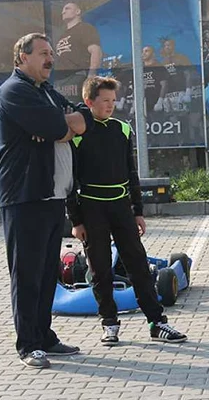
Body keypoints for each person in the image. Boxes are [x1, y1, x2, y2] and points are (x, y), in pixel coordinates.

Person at [0, 32, 94, 369]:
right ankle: (28, 344)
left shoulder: (45, 91)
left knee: (48, 270)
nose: (50, 59)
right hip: (25, 196)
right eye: (42, 53)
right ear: (22, 56)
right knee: (27, 273)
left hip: (52, 197)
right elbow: (57, 126)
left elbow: (83, 118)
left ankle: (45, 336)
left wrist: (64, 125)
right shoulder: (14, 91)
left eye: (52, 53)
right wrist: (62, 126)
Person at [66, 76, 187, 346]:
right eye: (104, 101)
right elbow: (68, 182)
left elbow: (132, 173)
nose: (110, 105)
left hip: (121, 207)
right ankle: (109, 324)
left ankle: (157, 323)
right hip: (91, 208)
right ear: (89, 102)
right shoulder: (76, 136)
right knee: (100, 270)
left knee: (139, 266)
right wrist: (75, 220)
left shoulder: (122, 129)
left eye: (113, 100)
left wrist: (138, 211)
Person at [54, 2, 102, 102]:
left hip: (77, 77)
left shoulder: (85, 28)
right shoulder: (61, 35)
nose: (63, 12)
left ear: (78, 11)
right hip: (59, 81)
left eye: (67, 8)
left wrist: (91, 75)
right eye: (62, 10)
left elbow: (95, 51)